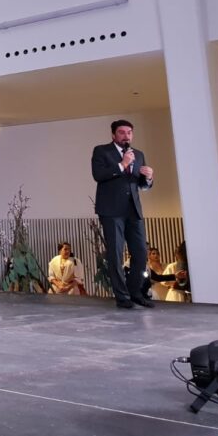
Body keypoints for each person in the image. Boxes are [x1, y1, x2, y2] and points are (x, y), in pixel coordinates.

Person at [92, 119, 154, 309]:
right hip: (111, 211)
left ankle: (135, 292)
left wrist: (149, 178)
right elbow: (98, 175)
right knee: (116, 254)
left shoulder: (139, 155)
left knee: (141, 252)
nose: (126, 136)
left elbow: (140, 185)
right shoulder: (102, 151)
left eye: (129, 132)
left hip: (133, 210)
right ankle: (122, 296)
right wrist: (122, 164)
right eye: (121, 132)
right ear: (113, 135)